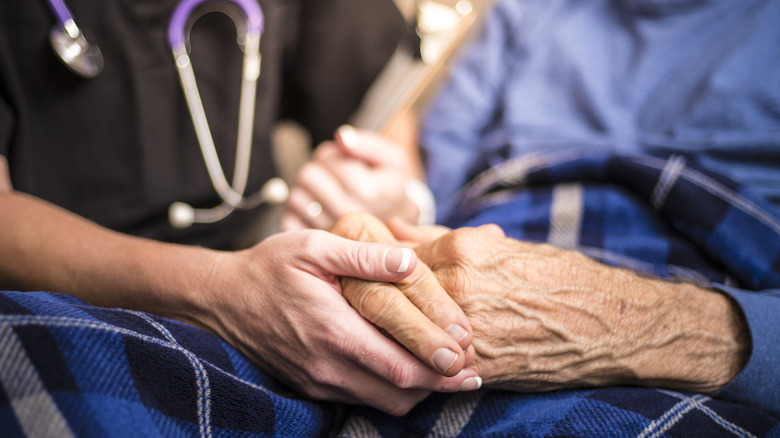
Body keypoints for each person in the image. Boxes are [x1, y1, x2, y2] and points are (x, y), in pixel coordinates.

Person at [294, 0, 780, 426]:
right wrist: (393, 209)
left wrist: (633, 325)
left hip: (709, 269)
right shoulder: (522, 12)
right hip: (474, 258)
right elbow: (434, 192)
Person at [0, 0, 484, 418]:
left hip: (268, 282)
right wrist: (219, 291)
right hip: (60, 303)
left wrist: (398, 197)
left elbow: (381, 104)